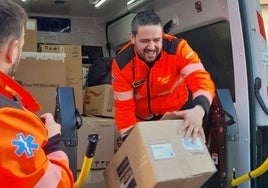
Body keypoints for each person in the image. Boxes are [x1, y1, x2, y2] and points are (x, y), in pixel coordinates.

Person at [0, 1, 74, 187]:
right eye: (22, 46)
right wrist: (54, 142)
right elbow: (57, 184)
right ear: (12, 49)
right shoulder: (8, 117)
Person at [112, 10, 215, 142]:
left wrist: (199, 109)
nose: (151, 47)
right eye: (144, 41)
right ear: (132, 38)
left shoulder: (178, 49)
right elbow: (124, 108)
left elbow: (201, 80)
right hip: (143, 123)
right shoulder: (122, 63)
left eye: (156, 40)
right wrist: (129, 139)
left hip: (178, 115)